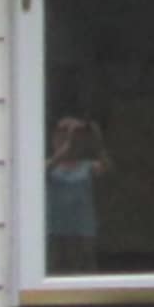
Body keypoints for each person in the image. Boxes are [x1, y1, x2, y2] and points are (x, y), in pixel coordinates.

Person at [46, 116, 109, 279]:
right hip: (56, 228)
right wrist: (63, 151)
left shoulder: (87, 165)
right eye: (62, 132)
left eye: (72, 133)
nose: (68, 136)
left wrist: (97, 141)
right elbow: (39, 174)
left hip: (83, 228)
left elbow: (107, 169)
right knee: (57, 269)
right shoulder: (49, 164)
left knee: (86, 268)